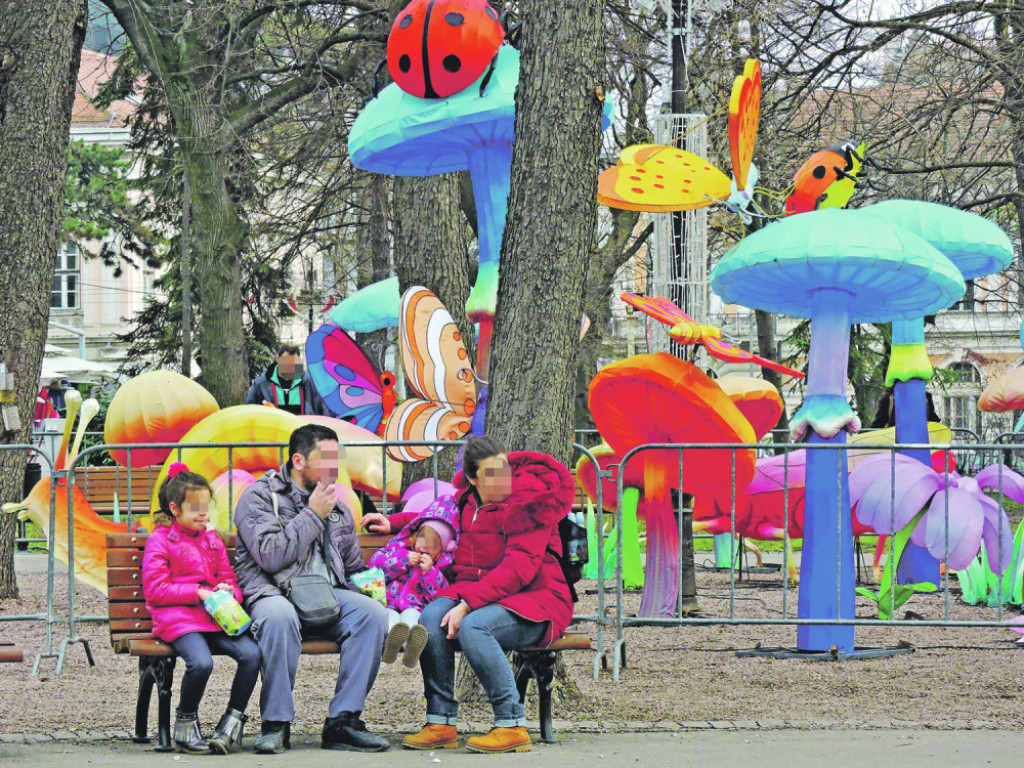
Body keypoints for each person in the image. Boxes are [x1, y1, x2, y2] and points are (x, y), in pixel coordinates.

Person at [362, 436, 575, 754]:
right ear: (473, 480)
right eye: (492, 474)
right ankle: (441, 721)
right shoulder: (464, 502)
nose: (503, 480)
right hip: (475, 590)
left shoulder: (529, 503)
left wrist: (467, 605)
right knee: (430, 618)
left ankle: (510, 724)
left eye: (505, 470)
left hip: (536, 598)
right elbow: (435, 517)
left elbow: (520, 569)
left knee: (476, 626)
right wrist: (391, 522)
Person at [233, 423, 389, 754]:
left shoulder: (339, 505)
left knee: (372, 615)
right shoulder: (259, 497)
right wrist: (312, 515)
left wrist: (377, 585)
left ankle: (342, 722)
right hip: (274, 593)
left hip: (326, 595)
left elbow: (351, 567)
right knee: (277, 617)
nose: (335, 468)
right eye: (327, 459)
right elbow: (270, 556)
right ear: (299, 461)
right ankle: (276, 724)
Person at [141, 464, 262, 755]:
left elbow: (229, 579)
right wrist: (197, 592)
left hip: (214, 617)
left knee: (252, 654)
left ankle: (231, 722)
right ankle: (185, 723)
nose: (203, 513)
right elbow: (156, 590)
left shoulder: (211, 540)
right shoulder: (161, 541)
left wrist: (228, 591)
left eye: (206, 506)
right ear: (174, 508)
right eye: (195, 507)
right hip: (179, 620)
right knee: (202, 663)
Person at [367, 498, 460, 668]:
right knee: (391, 619)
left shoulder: (440, 566)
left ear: (442, 549)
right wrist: (402, 560)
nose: (424, 548)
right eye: (422, 540)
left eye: (432, 545)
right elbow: (375, 566)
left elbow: (438, 594)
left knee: (413, 619)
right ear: (415, 537)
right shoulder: (398, 549)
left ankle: (411, 650)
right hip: (388, 602)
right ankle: (390, 646)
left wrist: (430, 572)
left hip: (414, 606)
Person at [245, 344, 330, 416]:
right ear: (278, 359)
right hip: (272, 434)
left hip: (302, 433)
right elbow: (248, 412)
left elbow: (323, 412)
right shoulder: (261, 384)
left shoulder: (308, 383)